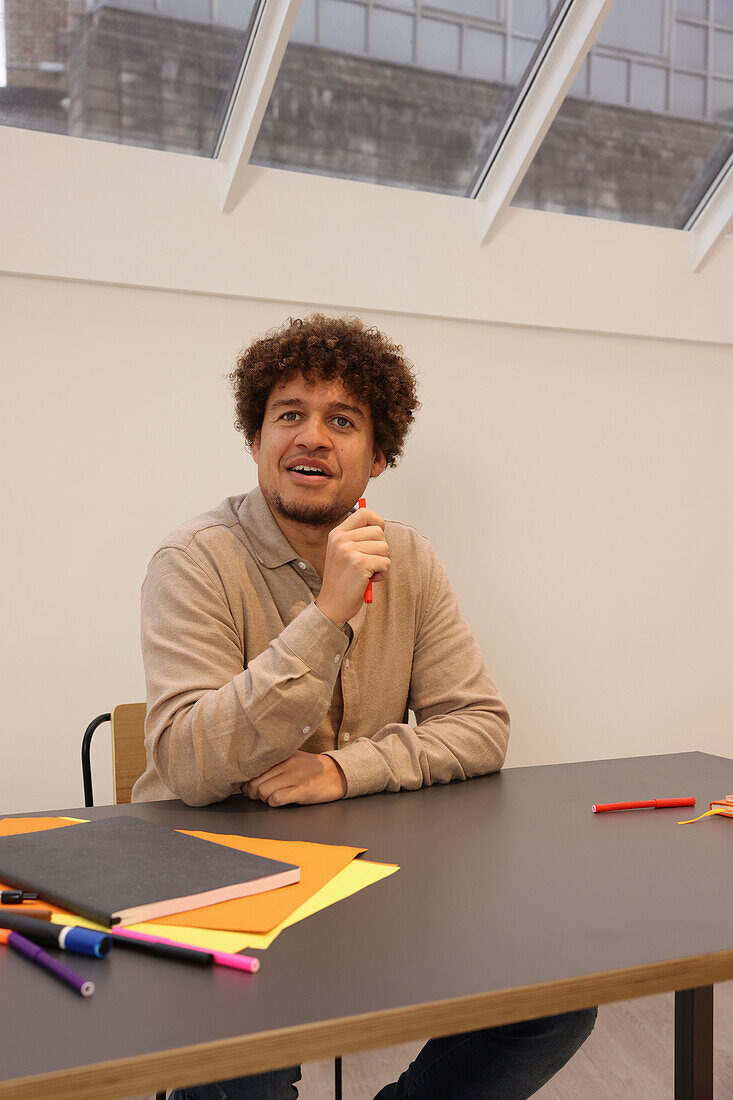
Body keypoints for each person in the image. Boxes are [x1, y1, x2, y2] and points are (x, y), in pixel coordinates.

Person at [133, 313, 596, 1098]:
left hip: (368, 876)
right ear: (256, 441)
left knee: (554, 1001)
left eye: (340, 421)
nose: (312, 437)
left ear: (376, 458)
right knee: (242, 1062)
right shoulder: (192, 560)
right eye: (290, 415)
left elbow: (479, 725)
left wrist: (343, 772)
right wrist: (327, 617)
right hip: (211, 887)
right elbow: (187, 762)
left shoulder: (407, 556)